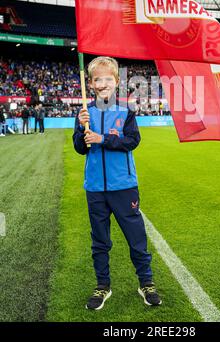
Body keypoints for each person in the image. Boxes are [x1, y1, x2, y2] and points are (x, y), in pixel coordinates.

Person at [73, 56, 161, 311]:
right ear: (90, 83)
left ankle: (146, 283)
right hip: (95, 188)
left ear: (116, 82)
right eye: (97, 79)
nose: (103, 84)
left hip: (123, 186)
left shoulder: (126, 112)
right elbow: (80, 148)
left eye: (107, 79)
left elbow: (132, 142)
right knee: (100, 241)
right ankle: (103, 285)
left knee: (136, 238)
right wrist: (81, 129)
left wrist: (102, 138)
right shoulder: (84, 111)